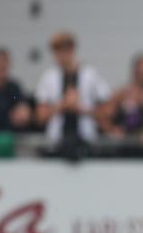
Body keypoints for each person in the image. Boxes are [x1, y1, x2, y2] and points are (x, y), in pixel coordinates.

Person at [35, 32, 112, 160]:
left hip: (87, 141)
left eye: (64, 51)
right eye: (57, 52)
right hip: (55, 142)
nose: (61, 57)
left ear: (72, 50)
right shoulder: (48, 77)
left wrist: (80, 108)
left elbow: (108, 111)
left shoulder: (90, 75)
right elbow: (40, 116)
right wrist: (63, 105)